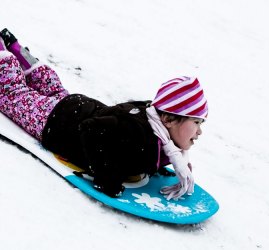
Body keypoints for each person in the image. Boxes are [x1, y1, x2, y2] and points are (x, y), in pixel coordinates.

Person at [0, 28, 208, 200]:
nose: (199, 131)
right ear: (169, 119)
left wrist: (156, 166)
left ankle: (17, 51)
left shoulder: (155, 125)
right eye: (196, 122)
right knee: (12, 94)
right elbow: (91, 130)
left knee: (52, 90)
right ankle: (4, 53)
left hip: (74, 107)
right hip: (55, 123)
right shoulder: (138, 134)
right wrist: (106, 178)